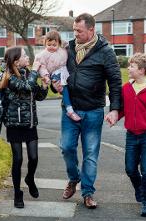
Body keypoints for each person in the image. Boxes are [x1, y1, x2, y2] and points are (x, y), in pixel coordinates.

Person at [52, 13, 122, 209]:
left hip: (93, 111)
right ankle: (74, 178)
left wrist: (115, 109)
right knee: (66, 148)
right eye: (74, 30)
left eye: (79, 31)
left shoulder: (106, 51)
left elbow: (115, 81)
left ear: (91, 30)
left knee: (90, 153)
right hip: (70, 110)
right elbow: (57, 74)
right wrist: (54, 85)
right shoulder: (68, 49)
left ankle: (88, 193)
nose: (75, 34)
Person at [113, 53, 146, 217]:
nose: (128, 68)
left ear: (142, 70)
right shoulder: (126, 88)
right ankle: (140, 189)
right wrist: (115, 115)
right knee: (130, 169)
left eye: (132, 66)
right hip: (131, 135)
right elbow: (124, 109)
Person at [0, 46, 49, 208]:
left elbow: (38, 96)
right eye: (25, 55)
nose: (28, 57)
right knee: (18, 159)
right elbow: (25, 87)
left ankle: (30, 178)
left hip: (30, 123)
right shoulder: (9, 76)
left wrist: (45, 86)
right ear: (16, 60)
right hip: (14, 124)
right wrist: (35, 72)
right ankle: (17, 193)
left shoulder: (28, 74)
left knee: (34, 157)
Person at [33, 30, 81, 121]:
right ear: (45, 44)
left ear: (59, 43)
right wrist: (46, 76)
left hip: (64, 71)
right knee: (64, 89)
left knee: (71, 86)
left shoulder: (63, 49)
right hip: (55, 73)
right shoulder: (43, 55)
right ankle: (69, 110)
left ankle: (73, 104)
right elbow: (42, 67)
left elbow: (69, 46)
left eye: (54, 45)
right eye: (49, 45)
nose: (51, 47)